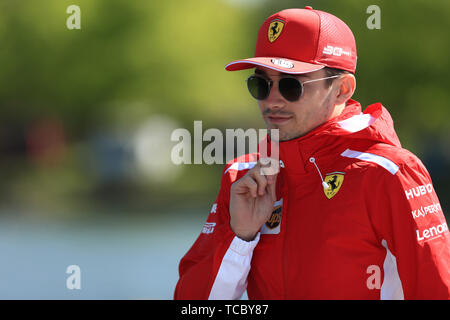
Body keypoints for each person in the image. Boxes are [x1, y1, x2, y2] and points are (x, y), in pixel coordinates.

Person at [174, 7, 450, 299]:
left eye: (292, 86)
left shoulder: (391, 172)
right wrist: (240, 237)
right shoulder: (242, 177)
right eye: (261, 84)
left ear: (342, 89)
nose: (272, 100)